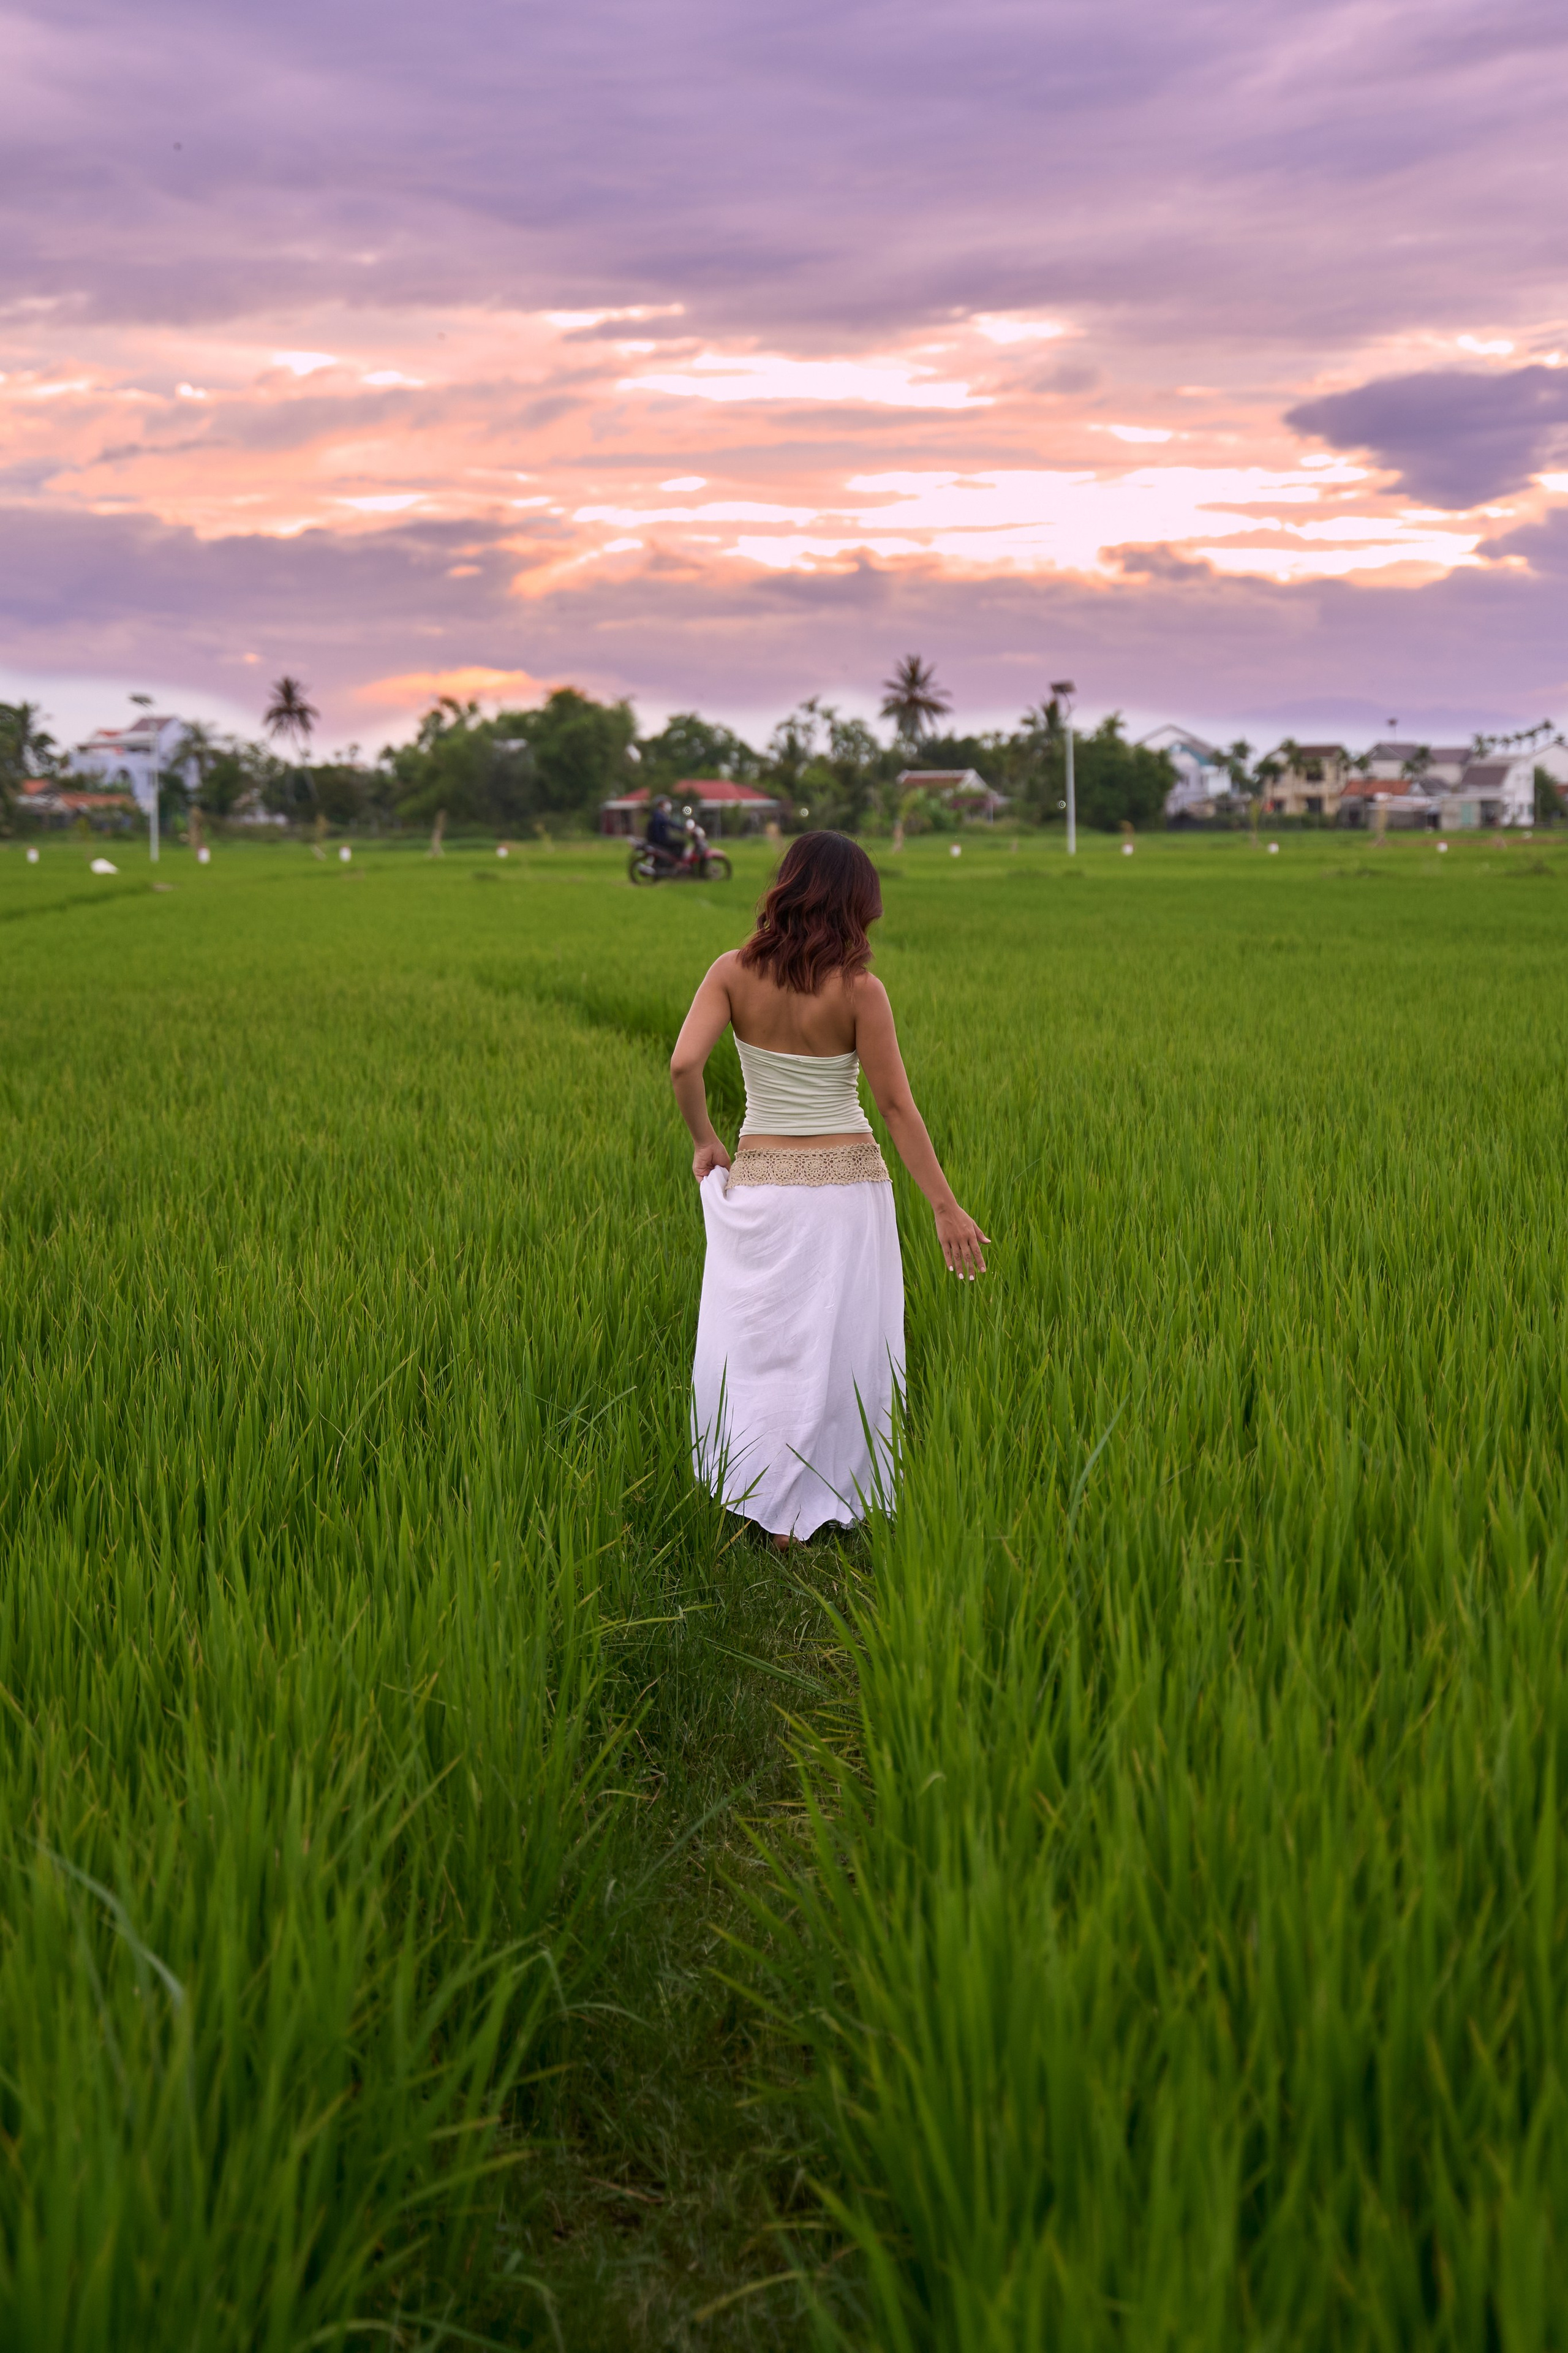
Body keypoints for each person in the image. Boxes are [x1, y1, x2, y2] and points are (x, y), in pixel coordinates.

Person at [669, 831, 989, 1547]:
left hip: (762, 1183)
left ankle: (760, 1495)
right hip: (847, 1190)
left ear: (786, 886)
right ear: (856, 903)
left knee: (762, 1343)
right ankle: (818, 1494)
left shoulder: (731, 971)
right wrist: (945, 1205)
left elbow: (685, 1064)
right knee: (839, 1344)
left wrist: (705, 1139)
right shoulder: (858, 990)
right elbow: (896, 1107)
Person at [644, 795, 688, 866]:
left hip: (659, 839)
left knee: (676, 844)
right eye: (667, 803)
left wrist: (681, 829)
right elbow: (670, 824)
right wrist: (683, 829)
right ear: (662, 804)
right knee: (682, 843)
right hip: (660, 840)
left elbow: (669, 824)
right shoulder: (659, 815)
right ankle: (678, 863)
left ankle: (671, 863)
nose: (669, 805)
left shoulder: (660, 814)